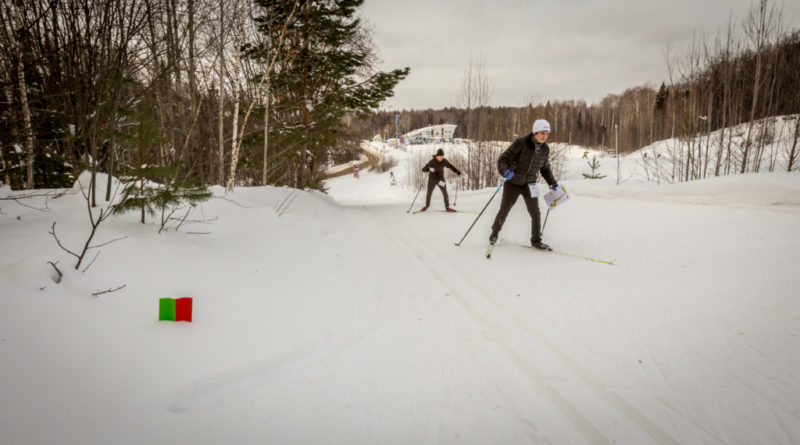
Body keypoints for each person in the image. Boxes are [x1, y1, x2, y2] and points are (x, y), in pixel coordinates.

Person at [489, 119, 558, 250]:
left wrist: (552, 183)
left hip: (530, 184)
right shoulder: (521, 143)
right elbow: (503, 159)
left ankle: (536, 240)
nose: (545, 136)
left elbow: (545, 168)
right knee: (504, 210)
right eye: (542, 133)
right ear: (535, 132)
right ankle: (494, 233)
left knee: (535, 213)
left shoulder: (545, 149)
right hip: (513, 183)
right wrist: (505, 171)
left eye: (547, 133)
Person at [419, 148, 461, 212]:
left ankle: (447, 207)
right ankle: (427, 205)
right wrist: (429, 169)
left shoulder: (444, 161)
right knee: (429, 193)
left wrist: (457, 171)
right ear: (437, 156)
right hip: (432, 180)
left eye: (442, 156)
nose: (441, 157)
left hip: (440, 179)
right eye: (440, 156)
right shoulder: (432, 161)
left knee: (444, 192)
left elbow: (450, 166)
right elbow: (423, 169)